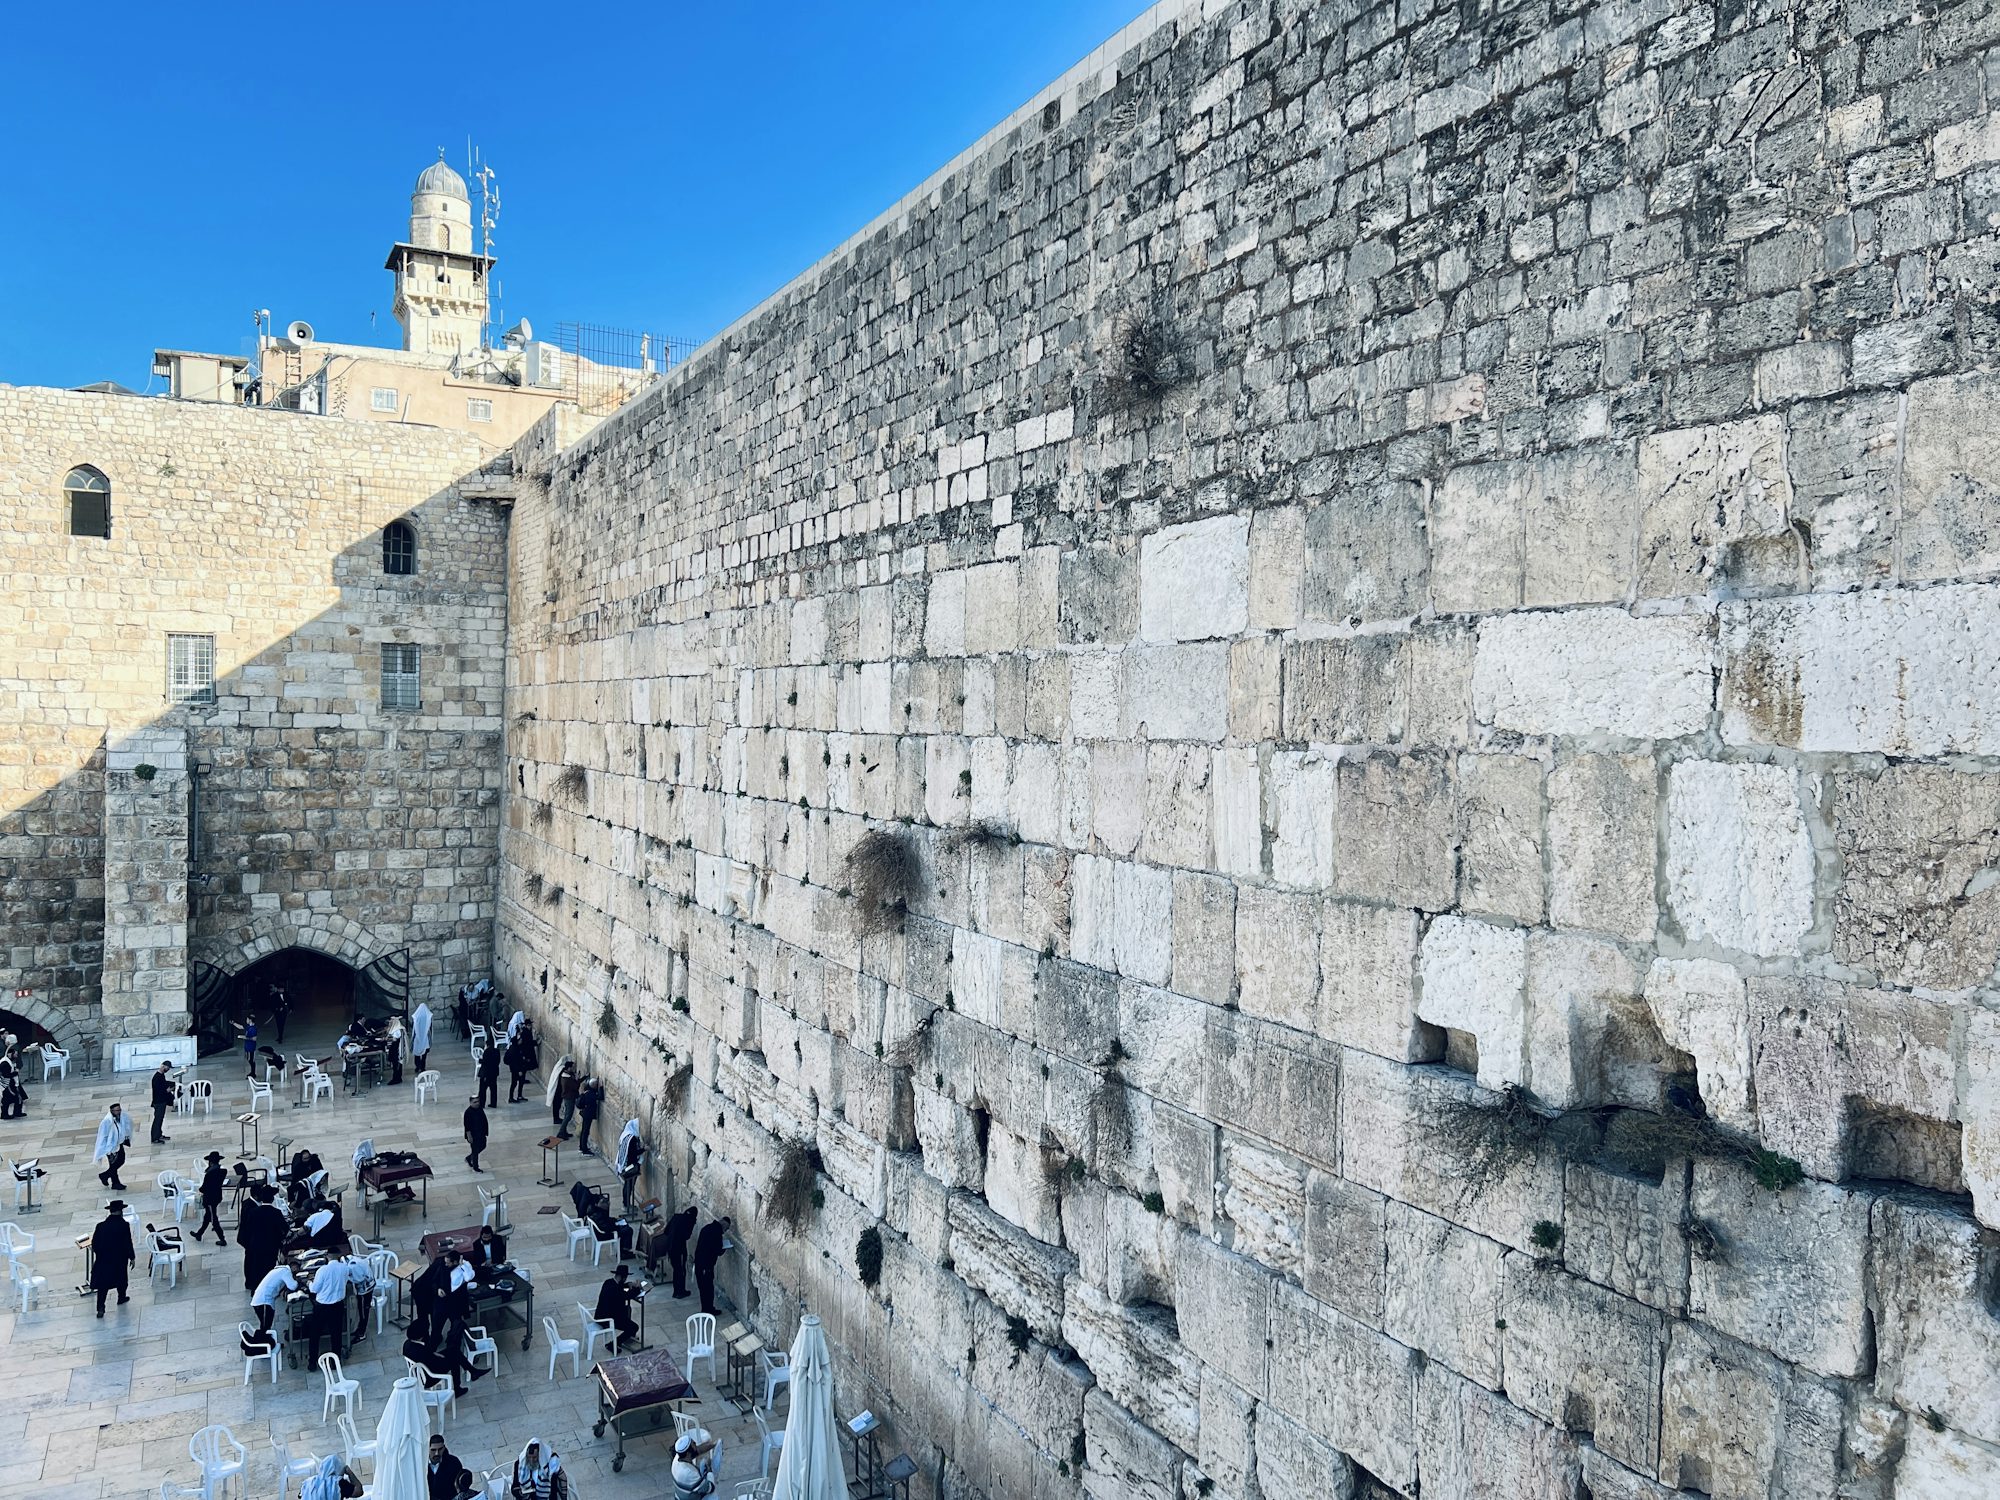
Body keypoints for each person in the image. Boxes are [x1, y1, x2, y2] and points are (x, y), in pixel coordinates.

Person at [307, 1250, 356, 1360]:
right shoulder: (344, 1268)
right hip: (337, 1305)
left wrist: (309, 1283)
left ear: (327, 1256)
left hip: (322, 1306)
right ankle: (336, 1360)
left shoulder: (322, 1270)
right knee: (336, 1334)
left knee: (315, 1334)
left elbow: (315, 1289)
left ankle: (312, 1361)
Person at [89, 1201, 135, 1317]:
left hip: (103, 1260)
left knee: (102, 1286)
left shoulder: (100, 1226)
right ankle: (121, 1297)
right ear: (120, 1211)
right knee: (121, 1279)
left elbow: (94, 1244)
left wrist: (100, 1254)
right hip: (119, 1259)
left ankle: (100, 1307)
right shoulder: (124, 1225)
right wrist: (132, 1257)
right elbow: (127, 1243)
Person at [240, 1183, 287, 1291]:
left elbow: (248, 1228)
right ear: (272, 1200)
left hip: (255, 1244)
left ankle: (255, 1286)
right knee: (268, 1266)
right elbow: (285, 1229)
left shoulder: (253, 1212)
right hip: (271, 1246)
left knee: (256, 1265)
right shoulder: (276, 1212)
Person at [594, 1264, 640, 1346]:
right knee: (634, 1327)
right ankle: (613, 1345)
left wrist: (629, 1285)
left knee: (627, 1309)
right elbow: (628, 1295)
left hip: (604, 1313)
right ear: (622, 1277)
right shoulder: (616, 1290)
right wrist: (637, 1288)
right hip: (608, 1318)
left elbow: (622, 1288)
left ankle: (628, 1335)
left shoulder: (608, 1282)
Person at [250, 1261, 300, 1336]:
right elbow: (292, 1286)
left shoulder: (279, 1270)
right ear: (294, 1267)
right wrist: (297, 1281)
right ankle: (265, 1343)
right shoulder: (286, 1272)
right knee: (266, 1326)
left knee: (266, 1325)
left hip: (262, 1299)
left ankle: (268, 1342)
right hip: (263, 1301)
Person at [191, 1150, 229, 1246]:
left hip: (210, 1199)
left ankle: (222, 1239)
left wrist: (200, 1189)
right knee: (207, 1216)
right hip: (217, 1196)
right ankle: (199, 1234)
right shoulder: (223, 1171)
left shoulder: (210, 1174)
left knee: (213, 1219)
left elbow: (204, 1187)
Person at [693, 1215, 730, 1315]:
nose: (725, 1232)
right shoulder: (717, 1234)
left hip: (699, 1263)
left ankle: (705, 1308)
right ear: (724, 1226)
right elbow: (718, 1251)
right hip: (707, 1266)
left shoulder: (706, 1228)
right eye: (726, 1229)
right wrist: (725, 1248)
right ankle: (708, 1309)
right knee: (708, 1288)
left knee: (702, 1288)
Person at [94, 1103, 133, 1189]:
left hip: (119, 1144)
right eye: (117, 1110)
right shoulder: (106, 1121)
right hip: (111, 1147)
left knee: (120, 1161)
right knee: (114, 1164)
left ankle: (107, 1177)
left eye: (119, 1110)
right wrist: (106, 1148)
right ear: (112, 1111)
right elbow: (103, 1135)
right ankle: (114, 1182)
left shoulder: (121, 1118)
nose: (119, 1112)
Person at [663, 1203, 697, 1298]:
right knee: (680, 1270)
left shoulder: (676, 1217)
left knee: (676, 1270)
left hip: (670, 1248)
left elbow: (666, 1231)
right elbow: (687, 1236)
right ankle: (680, 1291)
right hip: (679, 1250)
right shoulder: (689, 1221)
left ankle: (676, 1291)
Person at [671, 1432, 717, 1499]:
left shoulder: (678, 1457)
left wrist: (713, 1444)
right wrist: (709, 1470)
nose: (696, 1443)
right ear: (688, 1453)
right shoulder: (690, 1473)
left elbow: (697, 1450)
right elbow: (709, 1488)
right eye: (694, 1444)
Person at [425, 1433, 468, 1500]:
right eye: (433, 1450)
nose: (437, 1453)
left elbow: (458, 1487)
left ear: (444, 1447)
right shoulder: (420, 1466)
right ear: (427, 1449)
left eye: (440, 1449)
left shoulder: (454, 1462)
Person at [615, 1119, 645, 1209]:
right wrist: (644, 1149)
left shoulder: (625, 1135)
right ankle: (626, 1204)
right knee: (629, 1186)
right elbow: (632, 1153)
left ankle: (626, 1203)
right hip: (630, 1166)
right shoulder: (631, 1138)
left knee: (627, 1185)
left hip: (623, 1165)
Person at [576, 1076, 605, 1155]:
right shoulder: (591, 1094)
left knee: (584, 1131)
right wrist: (601, 1087)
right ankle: (584, 1150)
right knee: (585, 1131)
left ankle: (582, 1147)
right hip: (588, 1115)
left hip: (584, 1113)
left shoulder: (587, 1091)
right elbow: (600, 1097)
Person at [504, 1027, 533, 1104]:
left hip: (517, 1068)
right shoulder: (514, 1050)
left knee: (520, 1082)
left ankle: (519, 1096)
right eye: (519, 1040)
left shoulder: (513, 1048)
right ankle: (511, 1097)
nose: (521, 1041)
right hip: (517, 1070)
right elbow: (514, 1061)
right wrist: (518, 1070)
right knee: (514, 1083)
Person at [550, 1059, 578, 1139]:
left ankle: (564, 1132)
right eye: (572, 1067)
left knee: (567, 1115)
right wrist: (577, 1079)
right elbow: (575, 1086)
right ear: (568, 1068)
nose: (573, 1069)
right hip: (569, 1098)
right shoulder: (566, 1078)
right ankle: (561, 1132)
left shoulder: (566, 1076)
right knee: (568, 1116)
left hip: (568, 1097)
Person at [148, 1061, 174, 1144]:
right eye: (167, 1068)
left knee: (160, 1119)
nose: (168, 1069)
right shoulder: (157, 1077)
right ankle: (155, 1137)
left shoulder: (161, 1076)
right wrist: (167, 1090)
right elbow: (158, 1090)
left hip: (161, 1101)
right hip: (159, 1102)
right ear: (163, 1066)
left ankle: (159, 1134)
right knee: (158, 1120)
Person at [464, 1095, 489, 1173]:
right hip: (473, 1135)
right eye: (475, 1102)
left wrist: (485, 1131)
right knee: (475, 1150)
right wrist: (469, 1136)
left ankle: (469, 1158)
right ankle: (475, 1167)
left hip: (481, 1133)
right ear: (471, 1103)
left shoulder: (479, 1109)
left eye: (478, 1101)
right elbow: (467, 1125)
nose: (477, 1103)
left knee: (483, 1146)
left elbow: (484, 1120)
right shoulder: (468, 1112)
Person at [476, 1043, 501, 1110]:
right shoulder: (497, 1051)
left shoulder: (486, 1052)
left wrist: (480, 1060)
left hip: (486, 1074)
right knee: (493, 1089)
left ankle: (482, 1104)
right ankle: (493, 1103)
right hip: (494, 1073)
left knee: (482, 1090)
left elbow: (485, 1062)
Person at [410, 999, 433, 1073]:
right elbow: (430, 1028)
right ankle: (423, 1067)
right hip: (425, 1038)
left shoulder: (416, 1017)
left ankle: (417, 1066)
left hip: (417, 1038)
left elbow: (413, 1028)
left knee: (416, 1053)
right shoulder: (428, 1016)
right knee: (424, 1055)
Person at [386, 1014, 406, 1087]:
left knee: (396, 1064)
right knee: (395, 1064)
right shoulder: (395, 1028)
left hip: (396, 1049)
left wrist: (387, 1039)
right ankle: (397, 1077)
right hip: (394, 1048)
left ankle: (396, 1078)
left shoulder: (397, 1029)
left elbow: (395, 1039)